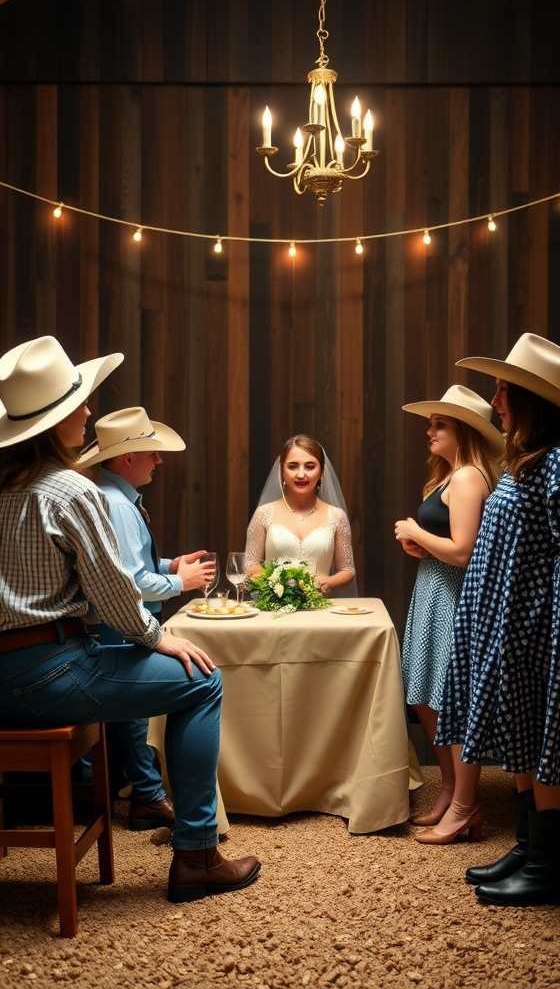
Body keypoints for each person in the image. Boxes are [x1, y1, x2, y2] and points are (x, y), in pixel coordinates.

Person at [0, 335, 260, 903]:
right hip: (50, 676)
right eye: (80, 403)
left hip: (4, 679)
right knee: (204, 680)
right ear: (58, 418)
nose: (89, 412)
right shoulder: (71, 491)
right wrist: (158, 636)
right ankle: (196, 855)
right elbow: (117, 597)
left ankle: (152, 803)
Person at [435, 332, 560, 906]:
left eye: (503, 392)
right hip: (513, 621)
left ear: (532, 401)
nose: (495, 403)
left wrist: (554, 627)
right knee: (522, 731)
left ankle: (548, 867)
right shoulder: (532, 459)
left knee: (548, 735)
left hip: (542, 624)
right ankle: (528, 845)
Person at [79, 406, 216, 831]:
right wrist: (182, 583)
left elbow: (136, 563)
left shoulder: (119, 498)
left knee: (131, 717)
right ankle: (149, 797)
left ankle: (144, 794)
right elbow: (129, 583)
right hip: (118, 623)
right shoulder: (118, 506)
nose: (159, 460)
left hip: (117, 621)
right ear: (127, 459)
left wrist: (173, 564)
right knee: (137, 717)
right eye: (151, 452)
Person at [394, 386, 503, 841]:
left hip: (455, 596)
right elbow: (451, 546)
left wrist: (416, 529)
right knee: (422, 694)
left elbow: (462, 552)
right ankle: (452, 789)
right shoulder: (449, 475)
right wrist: (421, 547)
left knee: (448, 698)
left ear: (465, 431)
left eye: (440, 424)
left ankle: (465, 804)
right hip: (433, 591)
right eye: (431, 423)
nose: (430, 430)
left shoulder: (467, 477)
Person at [245, 434, 356, 597]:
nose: (301, 474)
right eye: (293, 466)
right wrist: (276, 584)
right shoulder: (264, 513)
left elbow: (347, 569)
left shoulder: (336, 516)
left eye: (310, 466)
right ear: (282, 470)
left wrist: (327, 582)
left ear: (322, 471)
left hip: (320, 607)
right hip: (273, 609)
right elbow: (250, 563)